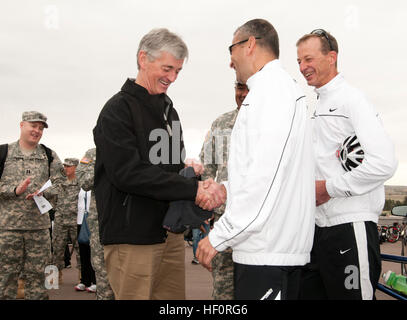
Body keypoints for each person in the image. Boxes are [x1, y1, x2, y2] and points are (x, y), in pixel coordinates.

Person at [92, 28, 225, 300]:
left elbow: (171, 171)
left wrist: (196, 182)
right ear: (143, 59)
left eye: (177, 71)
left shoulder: (169, 112)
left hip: (170, 237)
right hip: (132, 239)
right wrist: (193, 190)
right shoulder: (117, 111)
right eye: (167, 68)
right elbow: (128, 174)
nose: (172, 78)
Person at [196, 19, 315, 300]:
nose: (230, 61)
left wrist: (218, 236)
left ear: (250, 44)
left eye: (231, 49)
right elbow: (263, 172)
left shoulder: (272, 93)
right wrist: (226, 189)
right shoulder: (270, 90)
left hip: (268, 253)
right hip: (269, 249)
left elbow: (264, 178)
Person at [296, 29, 398, 300]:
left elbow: (384, 163)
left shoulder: (353, 99)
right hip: (317, 232)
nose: (303, 67)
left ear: (332, 57)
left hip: (350, 228)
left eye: (308, 59)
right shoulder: (316, 105)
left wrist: (329, 188)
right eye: (299, 62)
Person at [0, 111, 65, 300]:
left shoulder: (49, 155)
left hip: (39, 230)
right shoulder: (4, 152)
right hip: (7, 229)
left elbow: (62, 185)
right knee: (5, 278)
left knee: (39, 279)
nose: (37, 131)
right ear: (22, 125)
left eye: (40, 128)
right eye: (33, 126)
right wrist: (14, 190)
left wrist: (45, 193)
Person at [198, 81, 249, 299]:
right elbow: (207, 167)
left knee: (256, 285)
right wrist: (208, 204)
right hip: (224, 218)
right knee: (223, 287)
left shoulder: (270, 122)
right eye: (239, 88)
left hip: (256, 220)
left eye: (248, 88)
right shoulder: (221, 124)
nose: (243, 94)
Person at [76, 147, 115, 300]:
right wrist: (105, 163)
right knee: (103, 273)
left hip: (130, 224)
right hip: (101, 223)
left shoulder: (134, 149)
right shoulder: (93, 154)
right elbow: (84, 182)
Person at [52, 158, 81, 284]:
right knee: (56, 249)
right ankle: (53, 278)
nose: (66, 168)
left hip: (76, 220)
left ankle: (83, 277)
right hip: (60, 219)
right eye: (65, 166)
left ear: (76, 167)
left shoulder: (81, 183)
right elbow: (51, 197)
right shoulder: (59, 182)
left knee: (80, 250)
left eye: (69, 166)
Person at [75, 188, 96, 293]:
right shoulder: (80, 186)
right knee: (83, 253)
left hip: (92, 221)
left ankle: (95, 281)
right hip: (80, 221)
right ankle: (84, 281)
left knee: (94, 253)